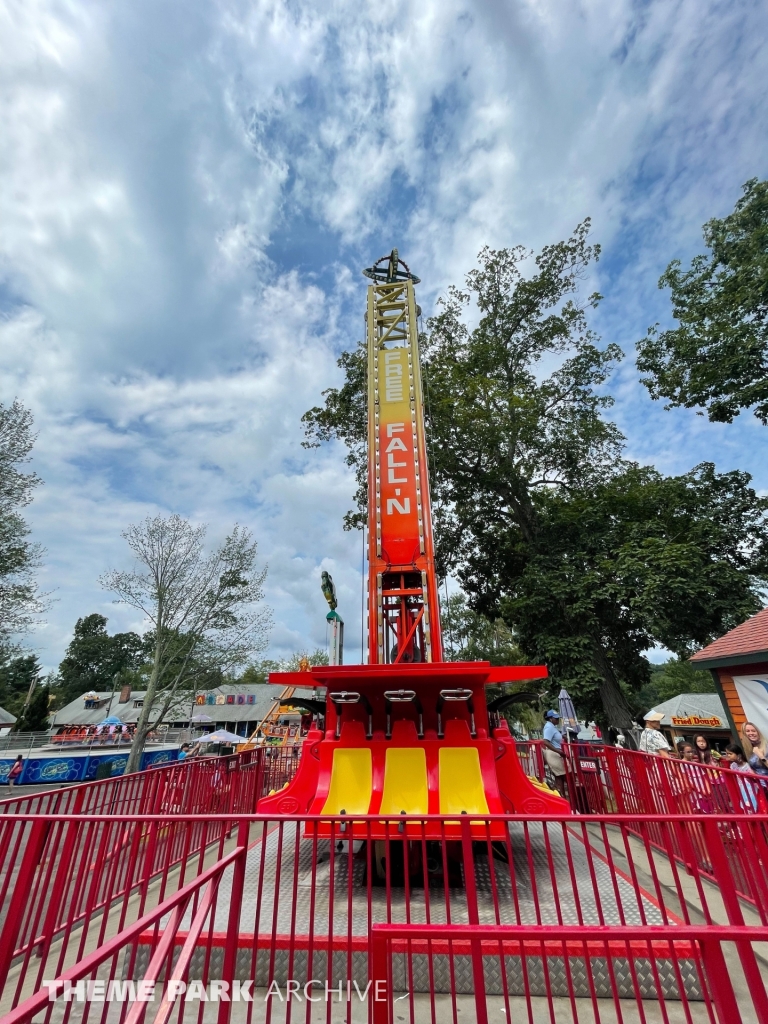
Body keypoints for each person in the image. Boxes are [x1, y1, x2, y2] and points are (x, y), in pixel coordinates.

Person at [542, 710, 567, 797]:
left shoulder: (552, 726)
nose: (557, 720)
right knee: (559, 776)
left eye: (558, 718)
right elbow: (545, 742)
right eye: (556, 718)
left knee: (561, 776)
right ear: (550, 718)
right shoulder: (549, 727)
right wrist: (558, 751)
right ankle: (561, 796)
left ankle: (561, 795)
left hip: (556, 753)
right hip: (554, 754)